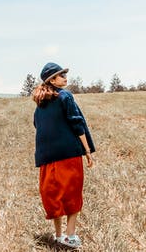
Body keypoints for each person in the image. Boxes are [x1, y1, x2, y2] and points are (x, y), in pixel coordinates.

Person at [32, 62, 95, 248]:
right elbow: (77, 124)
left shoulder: (40, 104)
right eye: (61, 75)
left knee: (54, 196)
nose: (65, 78)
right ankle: (71, 236)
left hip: (46, 157)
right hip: (68, 155)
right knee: (72, 195)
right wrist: (87, 151)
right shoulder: (65, 96)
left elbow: (37, 126)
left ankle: (59, 236)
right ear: (52, 80)